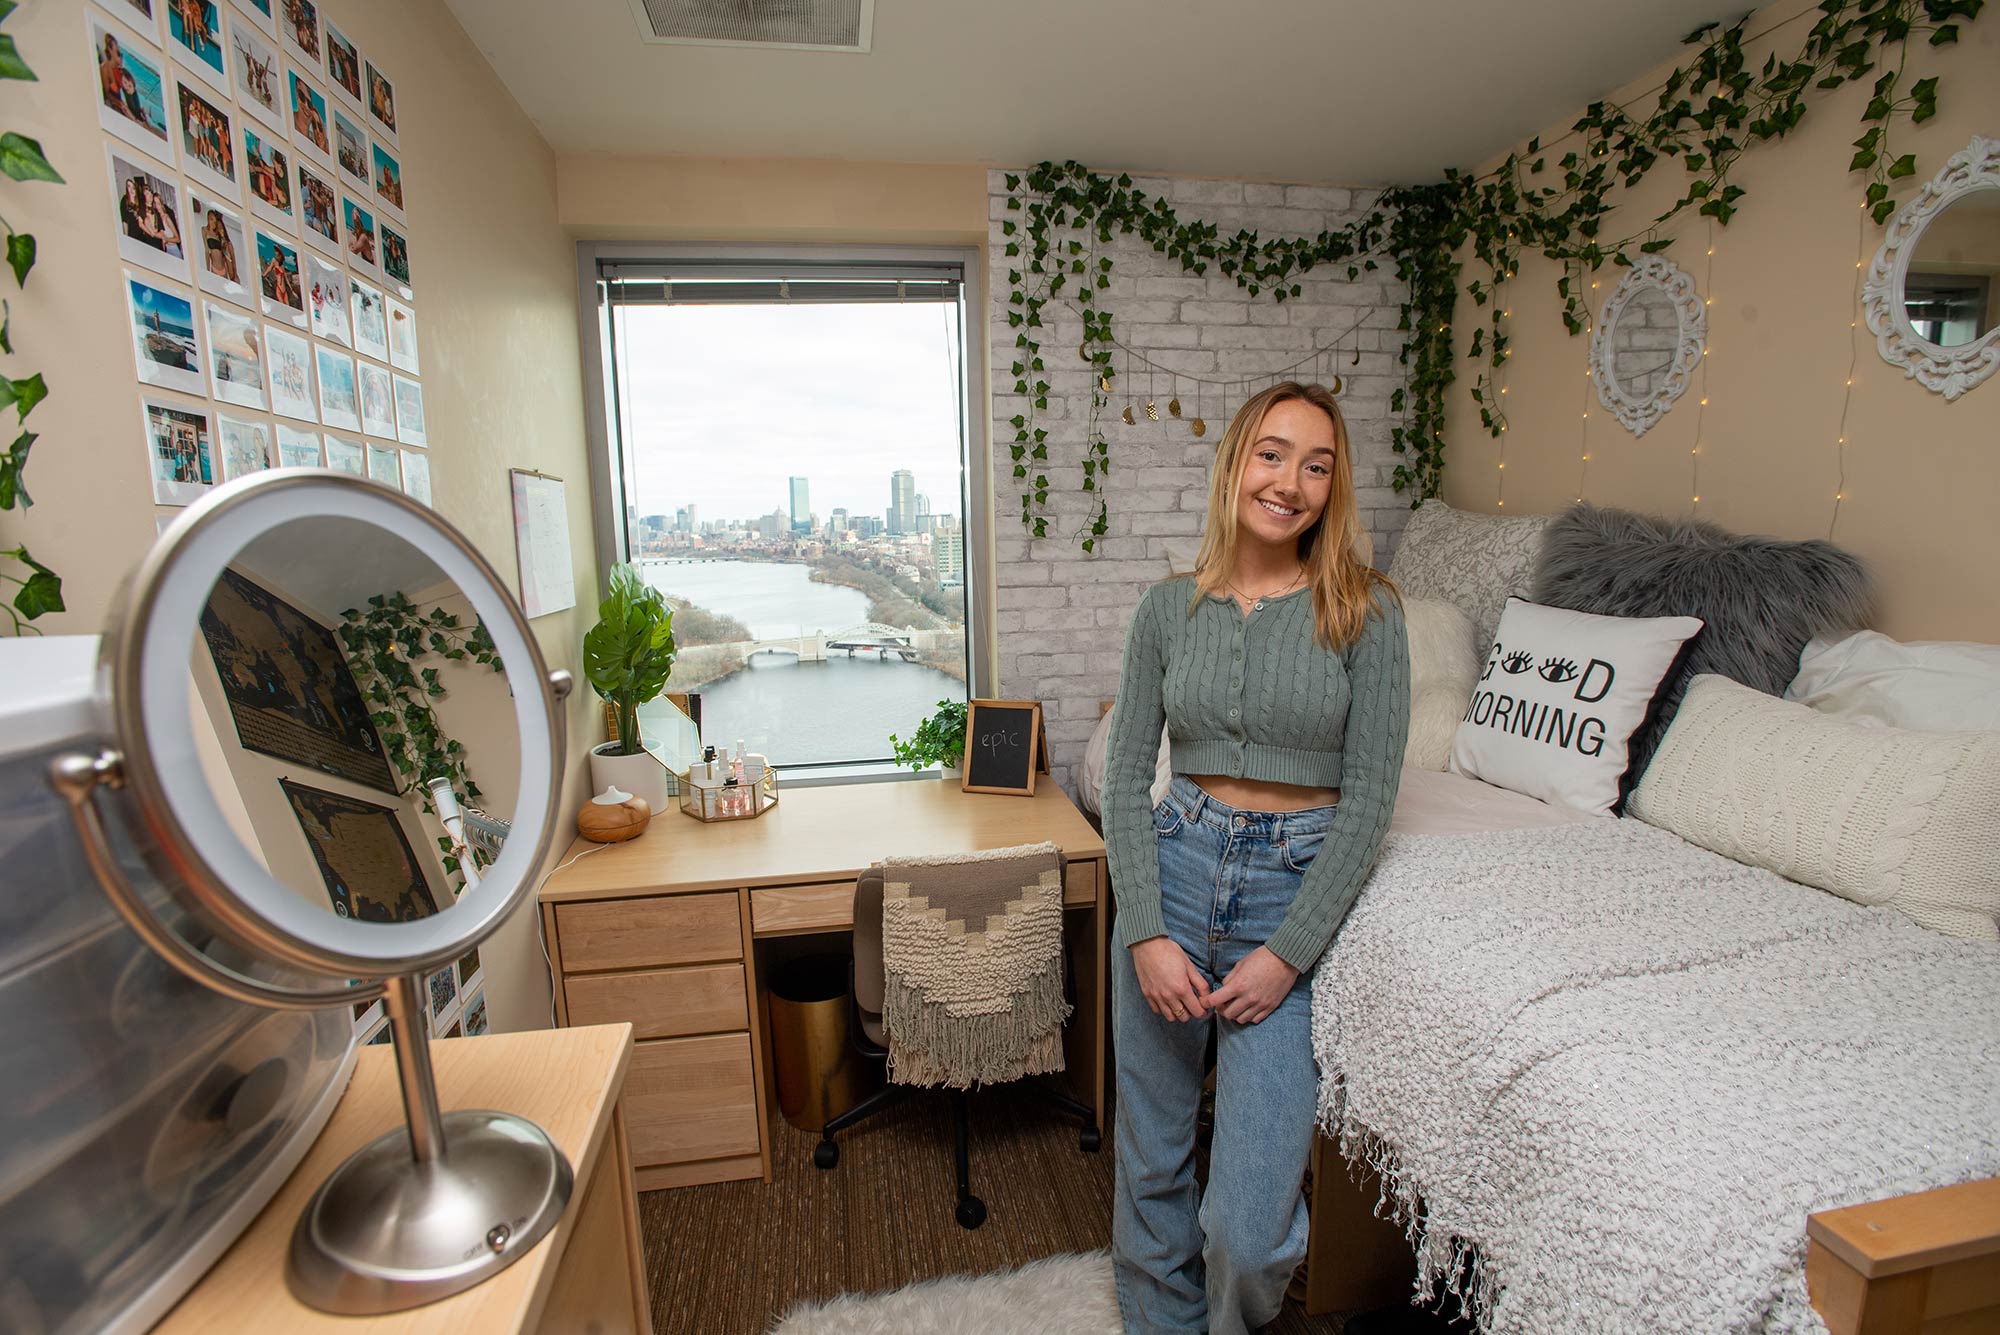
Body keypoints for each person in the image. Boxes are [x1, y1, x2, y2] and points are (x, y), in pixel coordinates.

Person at [1102, 380, 1410, 1334]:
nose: (1291, 482)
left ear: (1334, 487)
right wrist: (1146, 929)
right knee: (1153, 1159)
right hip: (1179, 863)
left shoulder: (1368, 614)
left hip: (1287, 890)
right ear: (1236, 462)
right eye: (1273, 454)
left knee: (1248, 1221)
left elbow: (1368, 803)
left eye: (1318, 465)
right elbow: (1122, 781)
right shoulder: (1165, 609)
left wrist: (1289, 953)